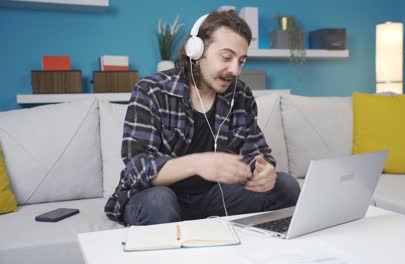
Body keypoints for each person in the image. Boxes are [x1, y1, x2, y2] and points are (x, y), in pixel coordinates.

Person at [105, 10, 300, 226]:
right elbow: (137, 167)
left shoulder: (240, 94)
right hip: (156, 198)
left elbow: (256, 151)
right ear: (196, 51)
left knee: (285, 185)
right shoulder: (151, 90)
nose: (234, 70)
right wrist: (197, 163)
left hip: (213, 199)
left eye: (241, 61)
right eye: (226, 57)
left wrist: (264, 170)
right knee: (160, 202)